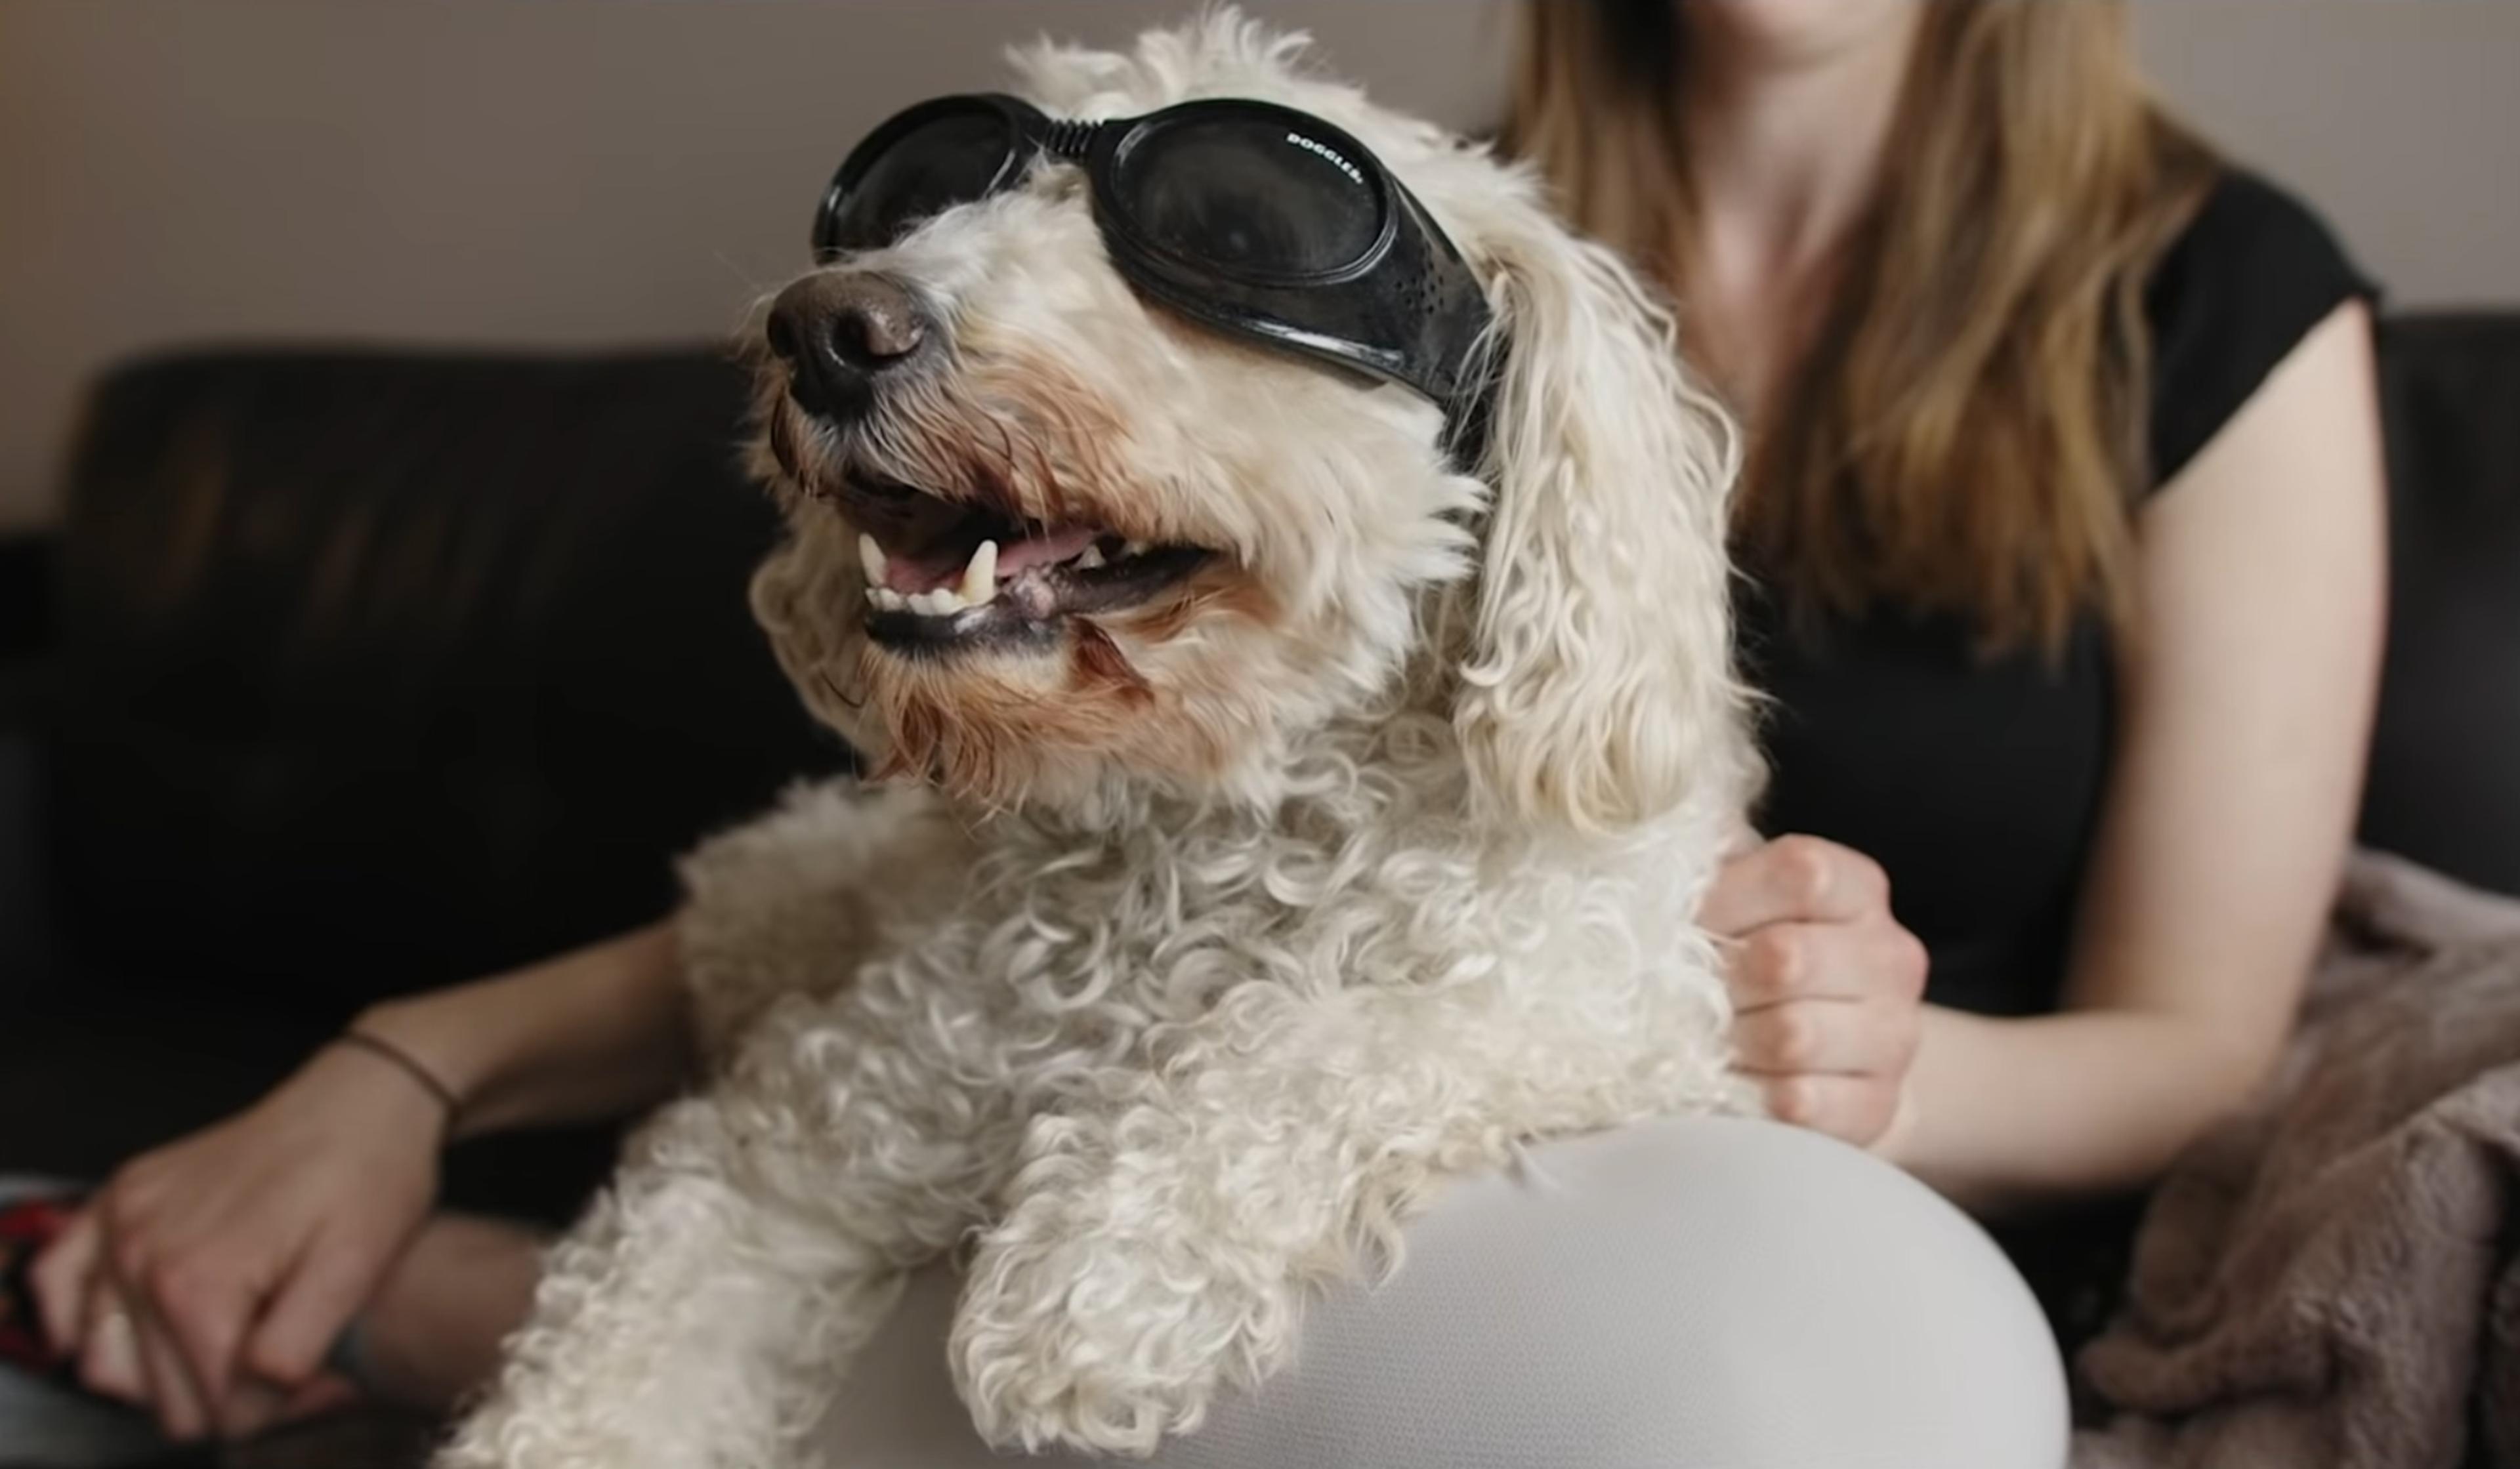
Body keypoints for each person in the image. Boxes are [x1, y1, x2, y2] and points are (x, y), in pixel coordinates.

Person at [18, 0, 2385, 1461]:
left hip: (1783, 1152)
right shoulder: (1332, 218)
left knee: (1776, 1368)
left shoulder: (2219, 297)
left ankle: (446, 1314)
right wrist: (407, 1063)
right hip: (1135, 1058)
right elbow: (926, 910)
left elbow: (2204, 1041)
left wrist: (1834, 1064)